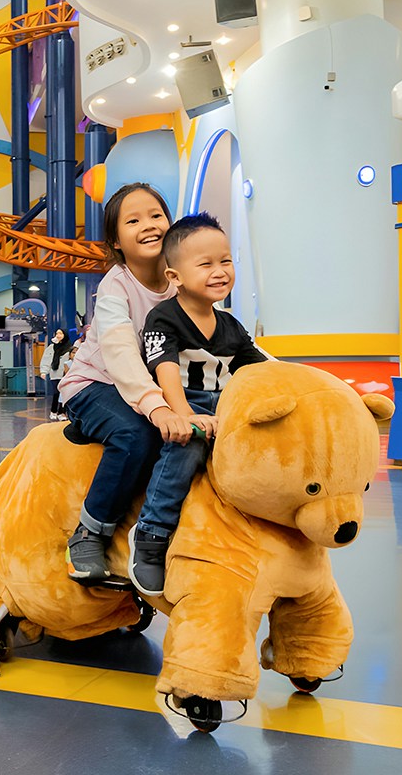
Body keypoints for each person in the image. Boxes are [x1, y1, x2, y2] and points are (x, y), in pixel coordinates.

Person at [128, 212, 271, 598]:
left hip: (221, 406)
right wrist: (185, 416)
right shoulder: (164, 318)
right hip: (180, 404)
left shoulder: (230, 326)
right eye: (205, 264)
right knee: (187, 446)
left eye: (225, 261)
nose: (219, 271)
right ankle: (151, 533)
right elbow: (165, 370)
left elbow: (261, 367)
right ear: (174, 276)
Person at [55, 182, 190, 585]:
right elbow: (121, 354)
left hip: (146, 384)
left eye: (156, 215)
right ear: (116, 240)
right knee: (137, 434)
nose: (148, 225)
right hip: (95, 384)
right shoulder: (116, 287)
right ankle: (89, 531)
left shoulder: (179, 283)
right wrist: (158, 406)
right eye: (133, 220)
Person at [39, 328, 72, 420]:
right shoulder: (51, 347)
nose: (58, 335)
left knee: (64, 394)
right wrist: (44, 371)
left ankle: (62, 413)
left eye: (60, 333)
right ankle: (53, 411)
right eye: (57, 333)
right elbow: (46, 359)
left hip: (65, 375)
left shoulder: (70, 348)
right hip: (55, 374)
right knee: (56, 393)